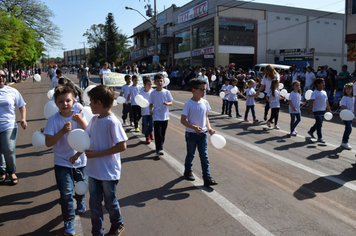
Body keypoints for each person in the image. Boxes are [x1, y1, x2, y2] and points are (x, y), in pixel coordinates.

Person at [72, 85, 127, 236]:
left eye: (91, 102)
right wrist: (77, 154)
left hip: (108, 172)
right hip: (94, 171)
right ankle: (97, 231)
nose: (89, 104)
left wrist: (97, 154)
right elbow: (87, 138)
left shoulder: (112, 122)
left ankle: (117, 223)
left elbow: (122, 146)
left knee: (110, 202)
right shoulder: (95, 120)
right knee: (94, 204)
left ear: (99, 103)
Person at [43, 86, 87, 236]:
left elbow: (89, 135)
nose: (65, 104)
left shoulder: (78, 115)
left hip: (80, 161)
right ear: (56, 103)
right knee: (66, 193)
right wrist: (62, 131)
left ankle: (80, 200)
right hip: (61, 162)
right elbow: (48, 143)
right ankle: (69, 220)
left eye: (68, 100)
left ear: (74, 101)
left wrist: (80, 121)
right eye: (61, 101)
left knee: (82, 187)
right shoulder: (53, 120)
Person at [181, 78, 218, 187]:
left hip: (203, 134)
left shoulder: (205, 102)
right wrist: (193, 127)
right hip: (191, 134)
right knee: (191, 154)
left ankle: (207, 177)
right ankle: (187, 171)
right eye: (201, 90)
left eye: (205, 90)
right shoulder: (189, 104)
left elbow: (206, 117)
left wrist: (209, 128)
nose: (203, 92)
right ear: (194, 90)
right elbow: (183, 120)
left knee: (204, 156)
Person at [0, 69, 27, 185]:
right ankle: (2, 171)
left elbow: (21, 106)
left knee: (8, 149)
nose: (1, 78)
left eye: (3, 75)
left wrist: (23, 119)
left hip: (8, 125)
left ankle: (12, 172)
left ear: (6, 77)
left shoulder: (12, 91)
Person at [149, 74, 173, 156]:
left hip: (165, 116)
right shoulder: (153, 93)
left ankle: (160, 146)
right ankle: (159, 148)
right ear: (155, 82)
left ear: (164, 82)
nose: (159, 82)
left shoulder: (166, 92)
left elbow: (171, 102)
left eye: (161, 81)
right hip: (156, 116)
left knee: (163, 133)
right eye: (157, 81)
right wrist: (150, 110)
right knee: (158, 133)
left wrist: (167, 103)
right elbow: (151, 103)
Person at [307, 78, 331, 143]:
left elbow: (326, 101)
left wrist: (328, 109)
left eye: (324, 83)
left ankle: (311, 131)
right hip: (317, 110)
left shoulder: (324, 92)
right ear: (317, 84)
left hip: (323, 110)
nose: (324, 84)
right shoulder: (315, 93)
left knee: (319, 123)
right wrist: (309, 109)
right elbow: (311, 102)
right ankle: (320, 137)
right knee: (319, 124)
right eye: (322, 83)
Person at [340, 83, 354, 149]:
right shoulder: (345, 97)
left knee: (349, 129)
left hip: (351, 116)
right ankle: (344, 142)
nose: (347, 90)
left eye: (349, 89)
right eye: (346, 89)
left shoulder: (354, 98)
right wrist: (349, 113)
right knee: (349, 128)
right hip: (346, 116)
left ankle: (344, 142)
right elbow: (343, 106)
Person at [140, 76, 154, 144]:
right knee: (145, 125)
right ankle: (147, 137)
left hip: (151, 112)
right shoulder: (141, 93)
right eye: (148, 84)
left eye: (151, 84)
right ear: (144, 85)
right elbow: (139, 101)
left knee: (151, 124)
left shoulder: (153, 92)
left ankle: (151, 132)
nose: (150, 86)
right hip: (144, 112)